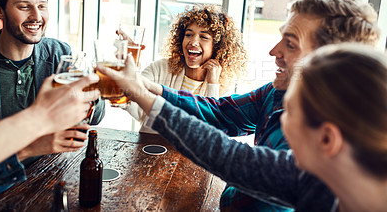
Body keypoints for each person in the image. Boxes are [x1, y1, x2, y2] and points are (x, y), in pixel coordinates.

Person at [126, 0, 381, 210]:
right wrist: (151, 90)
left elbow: (233, 158)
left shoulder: (318, 147)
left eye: (290, 44)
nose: (274, 51)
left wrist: (145, 97)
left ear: (330, 61)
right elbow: (221, 114)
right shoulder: (275, 92)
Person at [99, 43, 387, 211]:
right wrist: (145, 91)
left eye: (290, 113)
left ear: (327, 139)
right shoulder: (322, 178)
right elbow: (224, 146)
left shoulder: (307, 176)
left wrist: (141, 95)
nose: (280, 114)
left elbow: (229, 155)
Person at [0, 0, 104, 198]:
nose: (37, 17)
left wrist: (93, 92)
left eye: (42, 6)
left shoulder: (59, 52)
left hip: (51, 177)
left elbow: (95, 116)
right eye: (24, 7)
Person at [125, 4, 247, 133]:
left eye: (203, 37)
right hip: (151, 148)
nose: (193, 42)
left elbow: (212, 132)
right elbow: (132, 101)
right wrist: (129, 63)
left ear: (217, 47)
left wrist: (212, 85)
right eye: (189, 35)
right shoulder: (160, 68)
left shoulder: (221, 85)